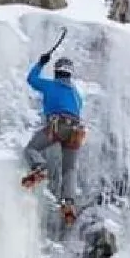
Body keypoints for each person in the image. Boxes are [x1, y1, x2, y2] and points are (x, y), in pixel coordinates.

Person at [21, 52, 85, 223]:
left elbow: (32, 79)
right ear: (70, 74)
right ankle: (69, 202)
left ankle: (40, 167)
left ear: (56, 72)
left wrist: (41, 63)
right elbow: (78, 109)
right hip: (76, 131)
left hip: (59, 125)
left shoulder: (51, 85)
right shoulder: (77, 94)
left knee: (31, 148)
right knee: (69, 169)